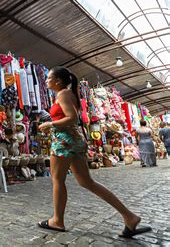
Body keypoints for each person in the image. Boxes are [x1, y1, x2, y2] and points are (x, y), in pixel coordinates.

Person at [37, 66, 151, 238]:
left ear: (58, 81)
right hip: (73, 141)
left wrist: (50, 124)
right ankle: (129, 216)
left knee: (57, 180)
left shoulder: (62, 94)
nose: (46, 81)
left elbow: (72, 118)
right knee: (87, 182)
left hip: (64, 142)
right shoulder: (67, 94)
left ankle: (57, 220)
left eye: (48, 78)